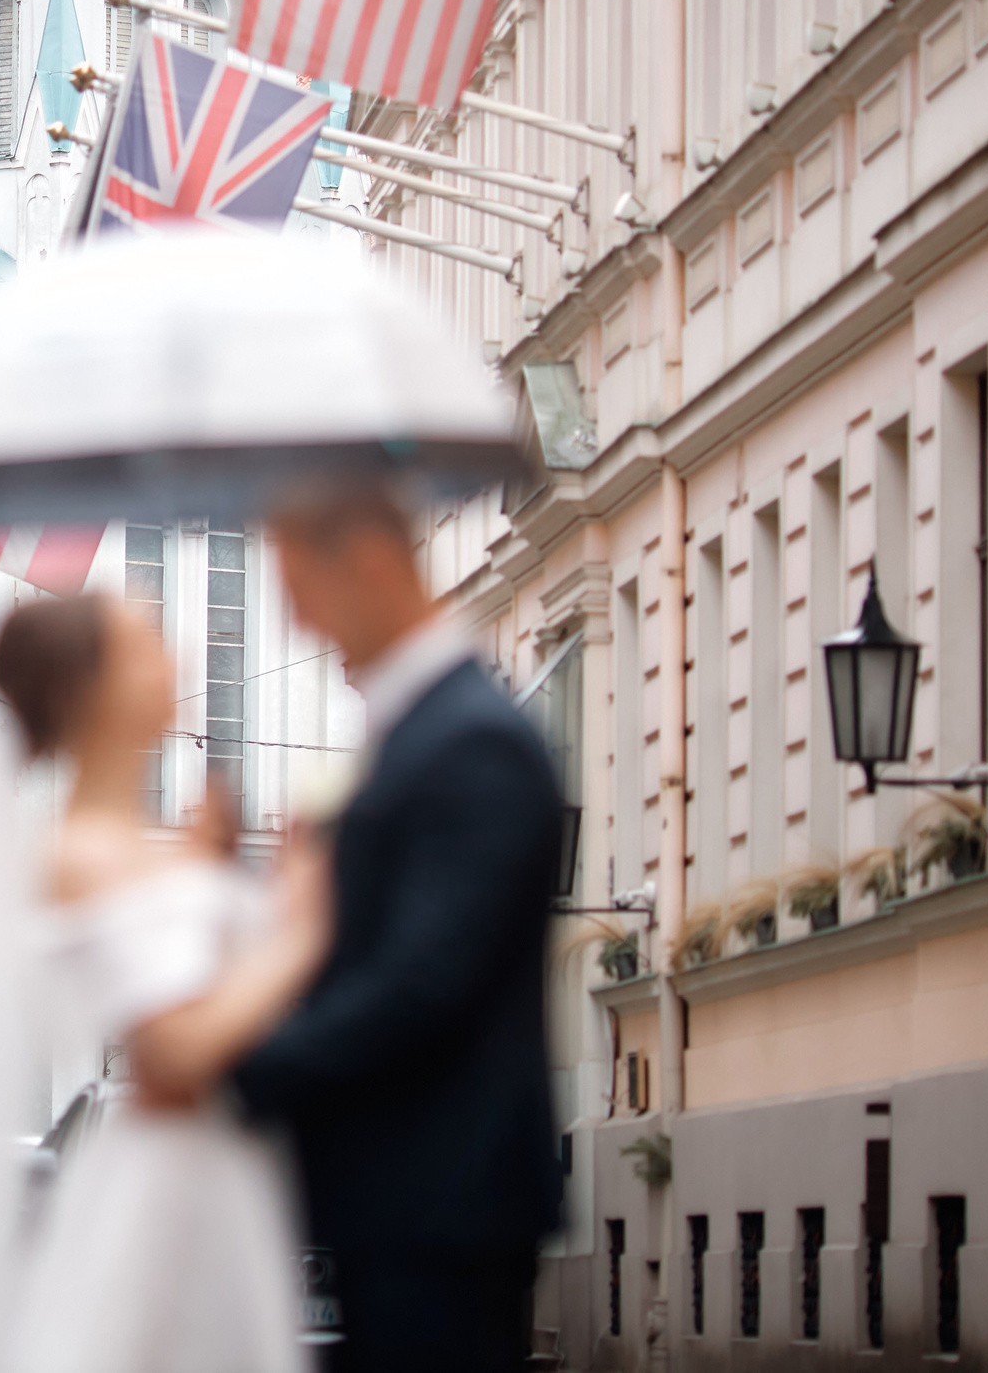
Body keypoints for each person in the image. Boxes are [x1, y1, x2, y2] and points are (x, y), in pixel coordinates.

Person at [227, 487, 566, 1373]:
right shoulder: (427, 734)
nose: (300, 621)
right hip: (403, 1205)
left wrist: (240, 1068)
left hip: (441, 1206)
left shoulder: (473, 742)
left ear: (370, 562)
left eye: (300, 588)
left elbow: (421, 982)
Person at [0, 594, 330, 1373]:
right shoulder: (78, 854)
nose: (173, 657)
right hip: (170, 1185)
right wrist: (304, 930)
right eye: (144, 645)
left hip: (229, 1169)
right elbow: (174, 1050)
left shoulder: (155, 849)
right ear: (90, 692)